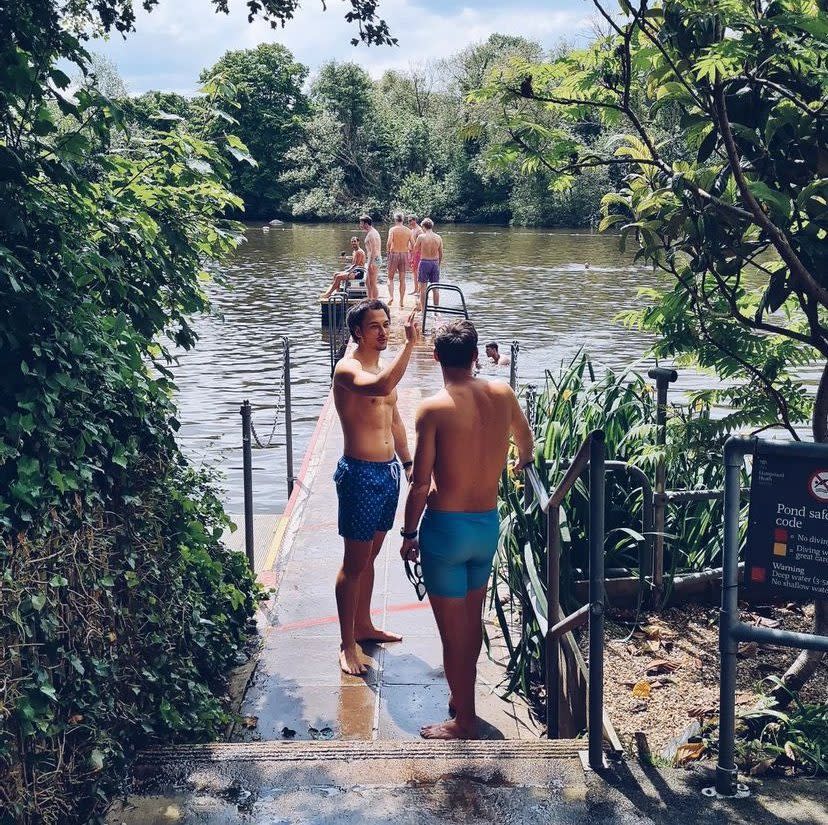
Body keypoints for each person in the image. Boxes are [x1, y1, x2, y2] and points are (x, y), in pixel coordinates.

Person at [399, 319, 533, 739]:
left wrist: (408, 534)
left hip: (446, 531)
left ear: (436, 356)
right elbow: (526, 443)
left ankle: (464, 720)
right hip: (486, 526)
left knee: (451, 632)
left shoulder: (434, 408)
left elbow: (421, 482)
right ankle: (462, 698)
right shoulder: (502, 393)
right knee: (470, 623)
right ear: (476, 356)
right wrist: (518, 462)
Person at [332, 300, 421, 676]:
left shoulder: (380, 368)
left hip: (387, 474)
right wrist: (411, 345)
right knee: (353, 564)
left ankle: (364, 625)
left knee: (370, 558)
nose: (384, 332)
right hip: (360, 474)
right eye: (375, 327)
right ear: (357, 332)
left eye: (387, 325)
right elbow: (383, 385)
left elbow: (395, 420)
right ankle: (346, 644)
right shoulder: (348, 370)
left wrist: (409, 462)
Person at [412, 217, 443, 313]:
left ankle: (423, 310)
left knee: (423, 288)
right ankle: (436, 311)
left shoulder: (421, 237)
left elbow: (415, 249)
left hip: (424, 262)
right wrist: (438, 264)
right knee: (435, 288)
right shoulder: (438, 238)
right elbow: (441, 253)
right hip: (435, 263)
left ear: (424, 227)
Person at [386, 212, 412, 308]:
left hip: (394, 253)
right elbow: (413, 244)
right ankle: (401, 301)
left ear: (395, 220)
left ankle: (391, 297)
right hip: (404, 254)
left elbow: (389, 242)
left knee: (390, 278)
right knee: (402, 279)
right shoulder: (409, 231)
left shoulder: (392, 229)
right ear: (403, 219)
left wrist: (388, 251)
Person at [360, 215, 382, 300]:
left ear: (366, 223)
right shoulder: (372, 232)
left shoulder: (372, 234)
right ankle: (370, 299)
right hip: (375, 259)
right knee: (368, 282)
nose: (360, 225)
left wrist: (370, 264)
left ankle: (375, 301)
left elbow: (374, 250)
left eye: (361, 223)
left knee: (372, 282)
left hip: (374, 259)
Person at [407, 215, 422, 294]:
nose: (409, 222)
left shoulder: (419, 230)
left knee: (417, 272)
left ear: (415, 220)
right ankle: (416, 289)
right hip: (411, 252)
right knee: (414, 272)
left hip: (417, 253)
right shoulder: (412, 229)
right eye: (408, 220)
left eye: (410, 220)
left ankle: (418, 290)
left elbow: (421, 243)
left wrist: (415, 253)